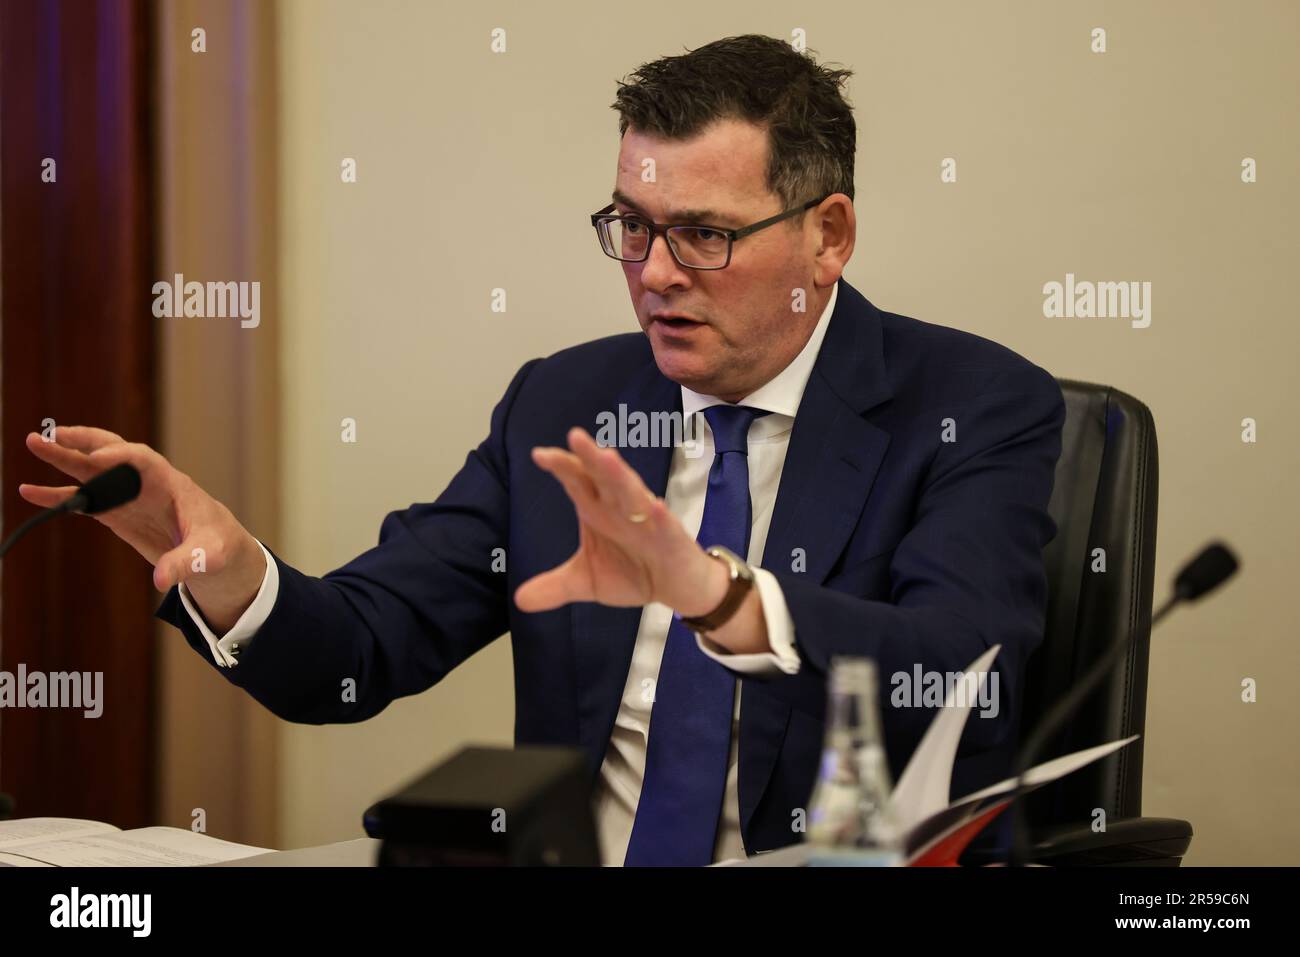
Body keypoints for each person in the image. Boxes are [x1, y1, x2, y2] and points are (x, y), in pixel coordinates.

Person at [19, 34, 1064, 866]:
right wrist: (235, 576)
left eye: (704, 234)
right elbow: (360, 655)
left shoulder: (970, 404)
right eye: (632, 225)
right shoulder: (566, 403)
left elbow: (961, 673)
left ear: (827, 235)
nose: (653, 274)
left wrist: (716, 596)